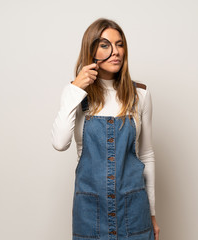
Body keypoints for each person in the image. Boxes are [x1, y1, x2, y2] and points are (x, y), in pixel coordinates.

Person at [51, 18, 160, 240]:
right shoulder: (75, 94)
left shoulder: (140, 96)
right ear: (91, 51)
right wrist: (75, 90)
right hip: (90, 212)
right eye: (105, 45)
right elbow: (60, 143)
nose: (116, 51)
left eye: (120, 44)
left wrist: (152, 214)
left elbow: (146, 155)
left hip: (134, 212)